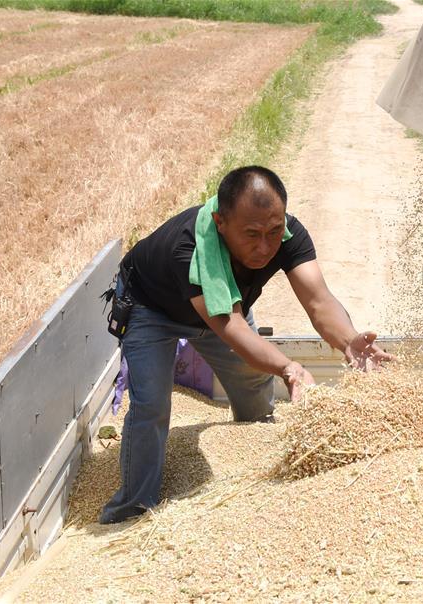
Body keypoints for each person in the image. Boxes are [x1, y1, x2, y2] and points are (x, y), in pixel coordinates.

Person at [100, 165, 391, 524]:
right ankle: (132, 508)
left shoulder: (285, 234)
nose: (265, 246)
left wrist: (349, 340)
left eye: (273, 231)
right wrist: (288, 367)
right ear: (220, 222)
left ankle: (255, 460)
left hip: (223, 308)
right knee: (151, 405)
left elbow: (318, 300)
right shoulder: (189, 249)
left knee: (253, 380)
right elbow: (233, 329)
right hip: (153, 308)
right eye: (251, 234)